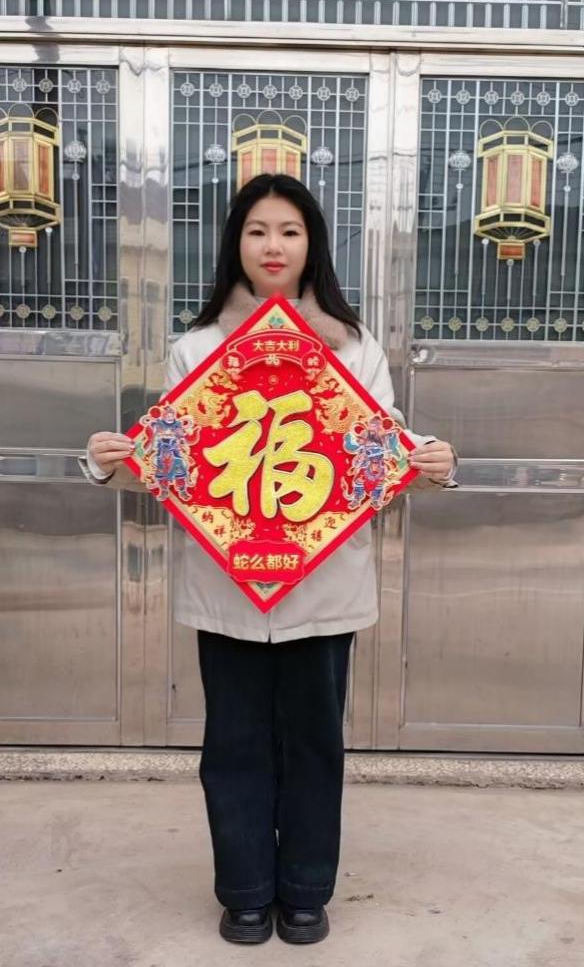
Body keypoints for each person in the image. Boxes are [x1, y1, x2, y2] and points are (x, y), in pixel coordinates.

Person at [82, 173, 456, 946]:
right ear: (236, 245)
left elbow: (379, 449)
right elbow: (176, 459)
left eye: (289, 230)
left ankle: (307, 891)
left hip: (325, 588)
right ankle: (247, 891)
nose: (273, 246)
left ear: (311, 243)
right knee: (234, 744)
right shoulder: (197, 347)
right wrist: (109, 461)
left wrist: (430, 462)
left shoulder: (354, 346)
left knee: (314, 743)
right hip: (227, 589)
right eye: (257, 231)